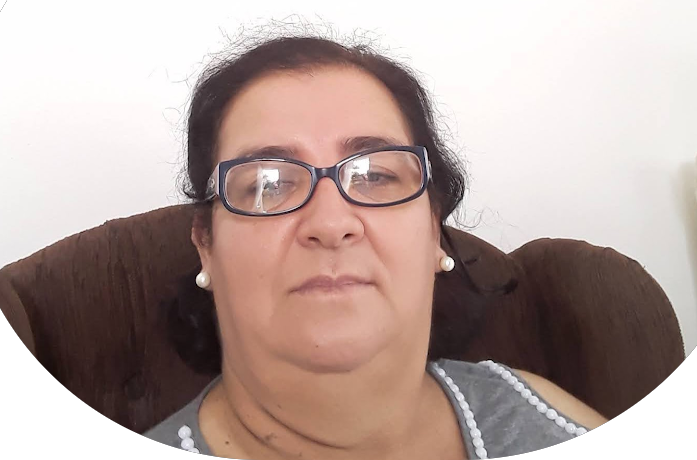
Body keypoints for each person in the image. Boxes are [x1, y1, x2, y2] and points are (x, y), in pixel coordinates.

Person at [143, 35, 608, 458]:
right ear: (206, 245)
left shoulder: (540, 414)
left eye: (375, 176)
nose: (331, 224)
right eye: (270, 183)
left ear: (434, 230)